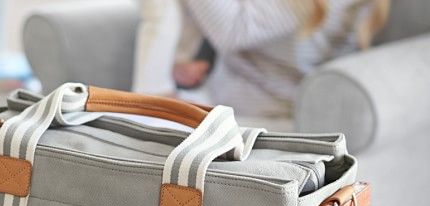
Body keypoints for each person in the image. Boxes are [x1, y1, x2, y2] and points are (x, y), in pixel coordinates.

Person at [133, 0, 391, 119]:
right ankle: (154, 88)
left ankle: (151, 91)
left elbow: (234, 28)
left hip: (265, 108)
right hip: (223, 89)